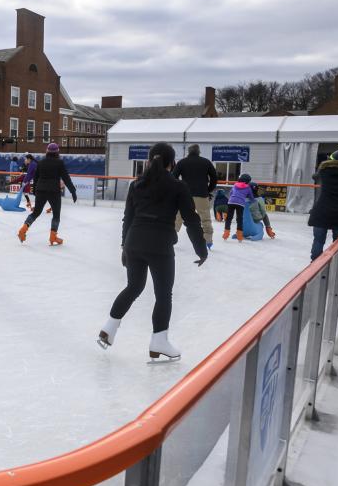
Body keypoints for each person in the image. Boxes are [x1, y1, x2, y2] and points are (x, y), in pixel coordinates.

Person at [98, 142, 207, 361]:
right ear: (172, 163)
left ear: (149, 160)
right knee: (163, 294)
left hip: (134, 242)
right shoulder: (178, 186)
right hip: (160, 246)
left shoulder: (137, 184)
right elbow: (191, 220)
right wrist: (201, 249)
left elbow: (128, 218)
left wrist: (124, 246)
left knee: (134, 286)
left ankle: (109, 328)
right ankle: (159, 341)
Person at [17, 143, 76, 245]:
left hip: (41, 189)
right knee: (56, 215)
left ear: (47, 151)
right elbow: (66, 178)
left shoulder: (41, 162)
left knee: (36, 213)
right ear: (57, 152)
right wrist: (73, 191)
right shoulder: (59, 163)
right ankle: (53, 236)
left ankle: (23, 230)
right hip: (54, 191)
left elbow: (36, 178)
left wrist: (35, 190)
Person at [171, 144, 218, 249]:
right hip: (202, 195)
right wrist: (208, 190)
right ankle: (208, 241)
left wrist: (178, 190)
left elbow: (173, 177)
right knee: (205, 218)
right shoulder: (206, 162)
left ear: (188, 152)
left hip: (185, 195)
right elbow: (214, 178)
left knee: (178, 217)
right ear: (199, 152)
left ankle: (170, 238)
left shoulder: (182, 162)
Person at [222, 174, 255, 241]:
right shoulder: (248, 187)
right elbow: (251, 197)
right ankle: (239, 236)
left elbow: (231, 193)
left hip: (231, 202)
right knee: (239, 219)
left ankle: (226, 234)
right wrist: (254, 200)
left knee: (229, 218)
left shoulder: (235, 185)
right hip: (240, 203)